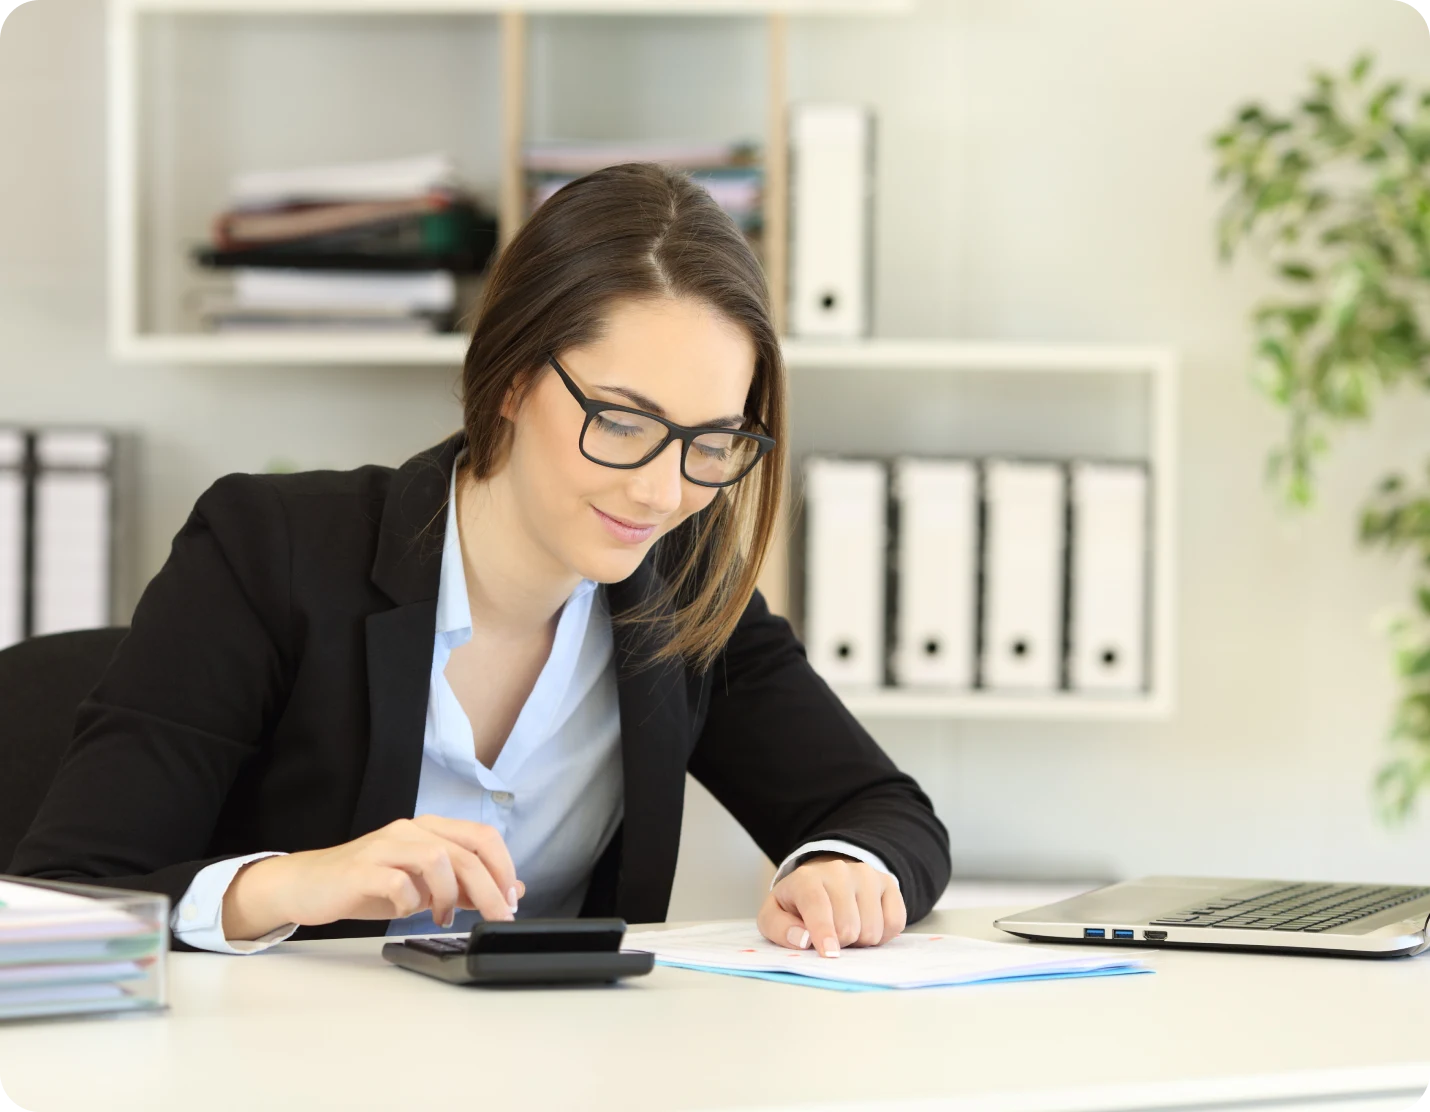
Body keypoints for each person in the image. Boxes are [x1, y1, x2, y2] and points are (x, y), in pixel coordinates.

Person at [10, 162, 950, 958]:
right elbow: (65, 896)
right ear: (509, 380)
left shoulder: (682, 586)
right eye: (621, 422)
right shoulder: (270, 549)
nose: (663, 493)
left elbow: (884, 812)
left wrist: (843, 869)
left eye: (712, 441)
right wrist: (293, 887)